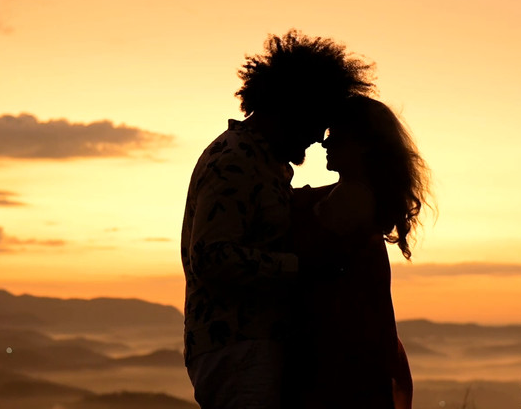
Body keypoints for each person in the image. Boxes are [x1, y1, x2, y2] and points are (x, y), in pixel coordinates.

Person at [181, 30, 375, 409]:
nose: (320, 137)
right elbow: (210, 257)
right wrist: (303, 267)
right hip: (238, 347)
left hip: (252, 345)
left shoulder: (260, 162)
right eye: (318, 119)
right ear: (293, 107)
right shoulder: (235, 159)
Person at [290, 95, 430, 409]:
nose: (325, 145)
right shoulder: (353, 194)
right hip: (346, 355)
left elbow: (304, 253)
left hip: (340, 361)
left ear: (364, 144)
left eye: (334, 137)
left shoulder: (353, 198)